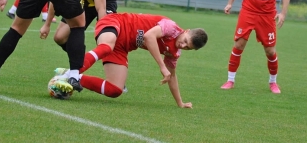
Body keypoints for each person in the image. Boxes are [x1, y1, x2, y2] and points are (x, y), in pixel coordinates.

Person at [49, 12, 208, 108]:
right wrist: (161, 65)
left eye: (187, 48)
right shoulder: (171, 27)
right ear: (186, 31)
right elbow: (148, 36)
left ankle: (73, 75)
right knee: (107, 46)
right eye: (185, 41)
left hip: (122, 47)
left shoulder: (174, 52)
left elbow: (172, 77)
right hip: (115, 23)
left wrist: (180, 103)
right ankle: (71, 75)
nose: (183, 45)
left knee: (115, 90)